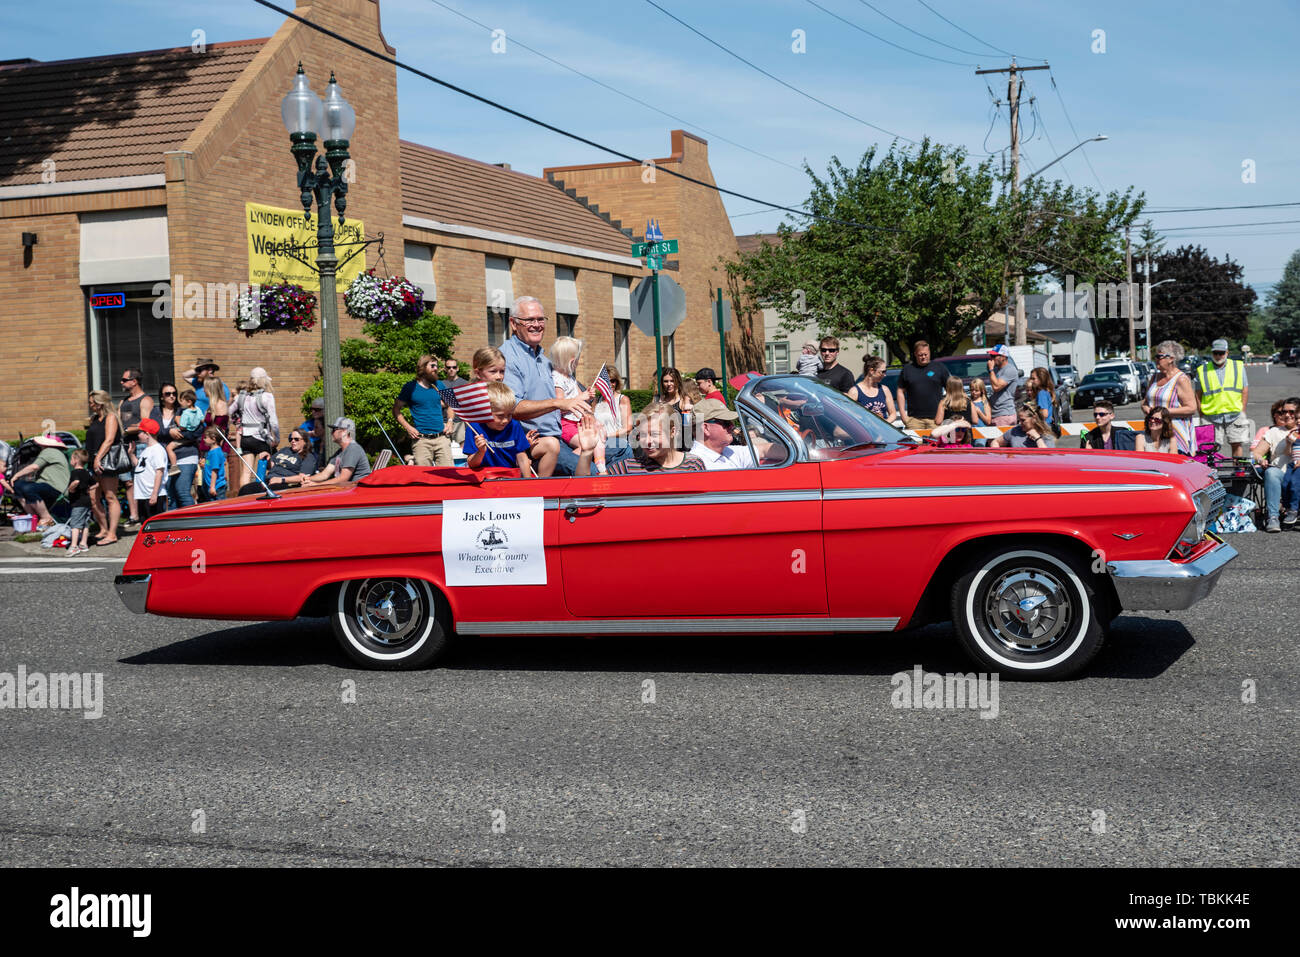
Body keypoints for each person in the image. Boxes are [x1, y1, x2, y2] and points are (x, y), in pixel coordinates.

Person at [500, 296, 590, 476]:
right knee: (592, 472)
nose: (537, 324)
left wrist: (587, 413)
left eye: (540, 319)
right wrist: (557, 403)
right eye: (529, 320)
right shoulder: (507, 357)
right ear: (513, 324)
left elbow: (569, 397)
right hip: (535, 443)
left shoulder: (543, 357)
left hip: (561, 435)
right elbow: (512, 407)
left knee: (621, 450)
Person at [573, 404, 706, 476]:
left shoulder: (693, 465)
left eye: (654, 434)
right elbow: (585, 490)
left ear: (672, 432)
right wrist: (586, 452)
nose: (647, 441)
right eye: (642, 435)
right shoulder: (627, 468)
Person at [464, 383, 535, 476]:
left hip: (509, 476)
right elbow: (471, 464)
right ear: (486, 412)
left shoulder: (514, 425)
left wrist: (528, 481)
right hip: (484, 478)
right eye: (500, 416)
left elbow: (521, 456)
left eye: (509, 415)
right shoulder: (474, 427)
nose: (505, 420)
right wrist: (481, 452)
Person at [1196, 337, 1250, 458]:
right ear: (1212, 353)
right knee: (1209, 448)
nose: (1218, 355)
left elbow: (1244, 390)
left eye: (1221, 353)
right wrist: (1201, 414)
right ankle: (1211, 474)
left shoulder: (1238, 366)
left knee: (1236, 444)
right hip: (1210, 416)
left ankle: (1238, 472)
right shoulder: (1202, 370)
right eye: (1216, 353)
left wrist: (1243, 410)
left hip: (1235, 414)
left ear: (1227, 352)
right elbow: (1198, 395)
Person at [395, 354, 453, 466]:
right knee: (424, 477)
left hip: (442, 439)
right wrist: (408, 428)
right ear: (422, 367)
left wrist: (450, 421)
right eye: (432, 366)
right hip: (421, 441)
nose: (436, 369)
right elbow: (396, 410)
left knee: (449, 475)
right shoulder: (409, 387)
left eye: (436, 366)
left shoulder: (439, 384)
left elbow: (451, 404)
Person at [1250, 398, 1299, 532]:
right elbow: (1257, 453)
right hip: (1280, 473)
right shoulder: (1274, 432)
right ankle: (1273, 517)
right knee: (1271, 473)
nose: (1287, 415)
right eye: (1284, 412)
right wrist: (1261, 460)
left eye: (1291, 412)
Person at [1143, 340, 1198, 455]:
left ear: (1171, 358)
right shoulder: (1154, 377)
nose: (1156, 359)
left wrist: (1164, 412)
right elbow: (1144, 402)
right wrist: (1147, 409)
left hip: (1175, 433)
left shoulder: (1181, 379)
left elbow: (1191, 408)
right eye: (1156, 356)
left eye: (1159, 356)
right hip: (1155, 433)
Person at [117, 367, 153, 526]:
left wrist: (128, 429)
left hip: (140, 446)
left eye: (124, 380)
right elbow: (118, 421)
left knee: (143, 480)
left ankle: (148, 515)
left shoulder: (145, 400)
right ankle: (134, 516)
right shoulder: (123, 402)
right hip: (124, 445)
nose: (121, 382)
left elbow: (145, 424)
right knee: (128, 482)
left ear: (134, 381)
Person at [10, 434, 70, 529]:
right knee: (18, 486)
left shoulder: (49, 451)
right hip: (47, 486)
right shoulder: (53, 452)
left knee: (27, 488)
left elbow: (34, 467)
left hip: (57, 488)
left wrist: (16, 475)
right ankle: (33, 517)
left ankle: (46, 518)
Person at [86, 390, 123, 545]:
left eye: (92, 402)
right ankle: (103, 528)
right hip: (93, 461)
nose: (90, 405)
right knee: (93, 497)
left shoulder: (111, 417)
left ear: (99, 403)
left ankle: (112, 533)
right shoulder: (95, 418)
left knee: (110, 496)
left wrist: (98, 459)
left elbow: (109, 440)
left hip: (106, 461)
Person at [233, 367, 279, 489]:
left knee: (247, 471)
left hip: (245, 438)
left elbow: (229, 411)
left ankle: (244, 496)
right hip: (261, 437)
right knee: (268, 467)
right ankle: (263, 492)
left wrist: (237, 422)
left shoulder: (241, 397)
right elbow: (273, 422)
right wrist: (277, 438)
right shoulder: (267, 396)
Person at [237, 428, 318, 495]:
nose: (293, 441)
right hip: (268, 481)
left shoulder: (308, 456)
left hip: (285, 485)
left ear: (304, 441)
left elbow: (302, 477)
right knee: (245, 490)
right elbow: (271, 466)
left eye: (296, 439)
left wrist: (281, 479)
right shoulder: (285, 450)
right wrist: (267, 457)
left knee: (269, 492)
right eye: (291, 439)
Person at [550, 336, 595, 448]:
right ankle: (578, 464)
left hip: (577, 421)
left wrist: (588, 395)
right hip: (566, 424)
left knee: (596, 438)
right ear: (572, 361)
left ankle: (600, 463)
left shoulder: (570, 378)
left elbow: (581, 398)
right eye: (578, 359)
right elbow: (560, 404)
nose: (578, 363)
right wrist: (583, 396)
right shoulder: (557, 379)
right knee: (585, 445)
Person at [688, 398, 756, 470]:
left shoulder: (727, 450)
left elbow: (763, 450)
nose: (732, 426)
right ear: (705, 429)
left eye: (730, 422)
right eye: (726, 423)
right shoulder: (697, 466)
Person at [304, 418, 372, 486]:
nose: (331, 433)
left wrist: (316, 485)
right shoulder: (340, 453)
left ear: (344, 432)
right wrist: (308, 479)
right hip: (347, 490)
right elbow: (324, 474)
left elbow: (343, 479)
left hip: (359, 491)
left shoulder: (353, 449)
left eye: (334, 429)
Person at [897, 340, 945, 430]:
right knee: (914, 444)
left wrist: (943, 412)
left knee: (936, 444)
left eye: (925, 354)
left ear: (929, 352)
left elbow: (951, 390)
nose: (923, 357)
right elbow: (900, 391)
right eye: (920, 355)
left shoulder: (939, 368)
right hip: (914, 420)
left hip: (935, 419)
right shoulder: (907, 369)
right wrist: (903, 415)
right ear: (915, 354)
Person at [129, 418, 168, 518]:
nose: (138, 435)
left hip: (153, 495)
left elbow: (159, 472)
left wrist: (154, 494)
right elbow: (140, 466)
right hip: (143, 494)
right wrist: (131, 454)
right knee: (145, 524)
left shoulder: (157, 450)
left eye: (140, 432)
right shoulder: (147, 449)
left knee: (155, 526)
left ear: (147, 434)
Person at [849, 356, 899, 423]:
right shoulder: (855, 391)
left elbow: (893, 414)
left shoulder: (884, 390)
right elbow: (849, 416)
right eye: (882, 372)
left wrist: (885, 423)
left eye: (885, 371)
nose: (885, 375)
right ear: (871, 371)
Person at [63, 448, 94, 555]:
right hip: (87, 501)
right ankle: (83, 544)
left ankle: (73, 546)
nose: (70, 461)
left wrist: (70, 489)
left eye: (71, 458)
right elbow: (95, 484)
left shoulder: (74, 472)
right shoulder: (86, 472)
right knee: (85, 523)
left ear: (75, 460)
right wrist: (89, 489)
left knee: (75, 524)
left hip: (78, 503)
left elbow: (76, 482)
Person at [986, 344, 1021, 428]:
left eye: (994, 356)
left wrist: (990, 370)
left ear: (1003, 357)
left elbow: (996, 387)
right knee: (992, 441)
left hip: (1004, 413)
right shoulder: (996, 370)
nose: (992, 358)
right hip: (996, 413)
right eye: (991, 355)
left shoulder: (1010, 370)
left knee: (1000, 441)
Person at [990, 403, 1056, 448]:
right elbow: (996, 442)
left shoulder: (1046, 434)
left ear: (1034, 418)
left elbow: (1048, 456)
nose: (1019, 423)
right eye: (1019, 420)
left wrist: (1037, 438)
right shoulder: (1015, 431)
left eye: (1023, 420)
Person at [200, 428, 228, 502]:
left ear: (214, 439)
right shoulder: (211, 452)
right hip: (212, 485)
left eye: (206, 437)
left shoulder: (215, 453)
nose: (204, 439)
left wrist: (212, 487)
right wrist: (204, 465)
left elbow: (215, 470)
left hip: (216, 486)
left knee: (219, 505)